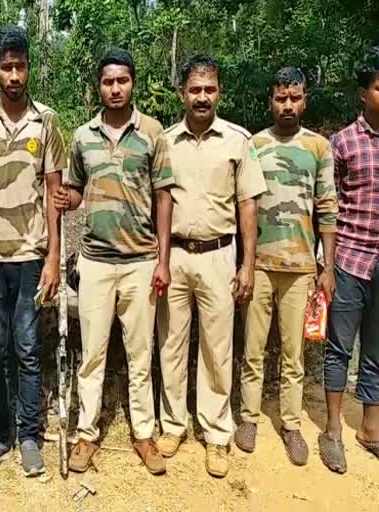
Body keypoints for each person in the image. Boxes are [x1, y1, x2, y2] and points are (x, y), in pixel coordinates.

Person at [53, 49, 174, 475]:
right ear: (98, 87)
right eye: (108, 82)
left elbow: (163, 196)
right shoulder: (82, 136)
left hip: (141, 261)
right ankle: (86, 434)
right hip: (96, 263)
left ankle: (143, 434)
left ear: (133, 83)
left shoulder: (153, 133)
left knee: (141, 355)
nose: (115, 88)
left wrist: (163, 258)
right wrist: (67, 198)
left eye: (123, 80)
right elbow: (76, 190)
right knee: (92, 354)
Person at [0, 23, 66, 477]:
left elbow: (54, 192)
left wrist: (55, 257)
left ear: (29, 68)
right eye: (7, 67)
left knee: (26, 347)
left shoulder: (47, 121)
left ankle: (28, 435)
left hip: (29, 255)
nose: (14, 75)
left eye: (20, 66)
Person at [156, 55, 267, 478]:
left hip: (221, 255)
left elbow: (248, 205)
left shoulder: (237, 140)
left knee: (218, 349)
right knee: (171, 344)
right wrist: (161, 259)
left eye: (210, 89)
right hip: (177, 256)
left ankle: (218, 434)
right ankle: (172, 425)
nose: (202, 98)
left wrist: (247, 264)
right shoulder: (165, 141)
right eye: (195, 90)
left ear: (219, 91)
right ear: (182, 93)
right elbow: (158, 202)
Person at [235, 68, 338, 466]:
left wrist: (326, 267)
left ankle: (291, 425)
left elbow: (327, 207)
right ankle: (248, 418)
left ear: (305, 100)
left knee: (293, 354)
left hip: (300, 269)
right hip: (259, 264)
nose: (288, 105)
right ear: (271, 102)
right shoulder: (254, 145)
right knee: (253, 349)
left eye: (295, 98)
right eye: (281, 98)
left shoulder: (318, 148)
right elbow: (242, 203)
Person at [320, 46, 379, 473]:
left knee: (376, 349)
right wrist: (327, 263)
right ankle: (334, 429)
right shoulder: (342, 143)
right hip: (350, 260)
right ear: (364, 93)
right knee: (340, 347)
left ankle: (371, 428)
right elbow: (330, 207)